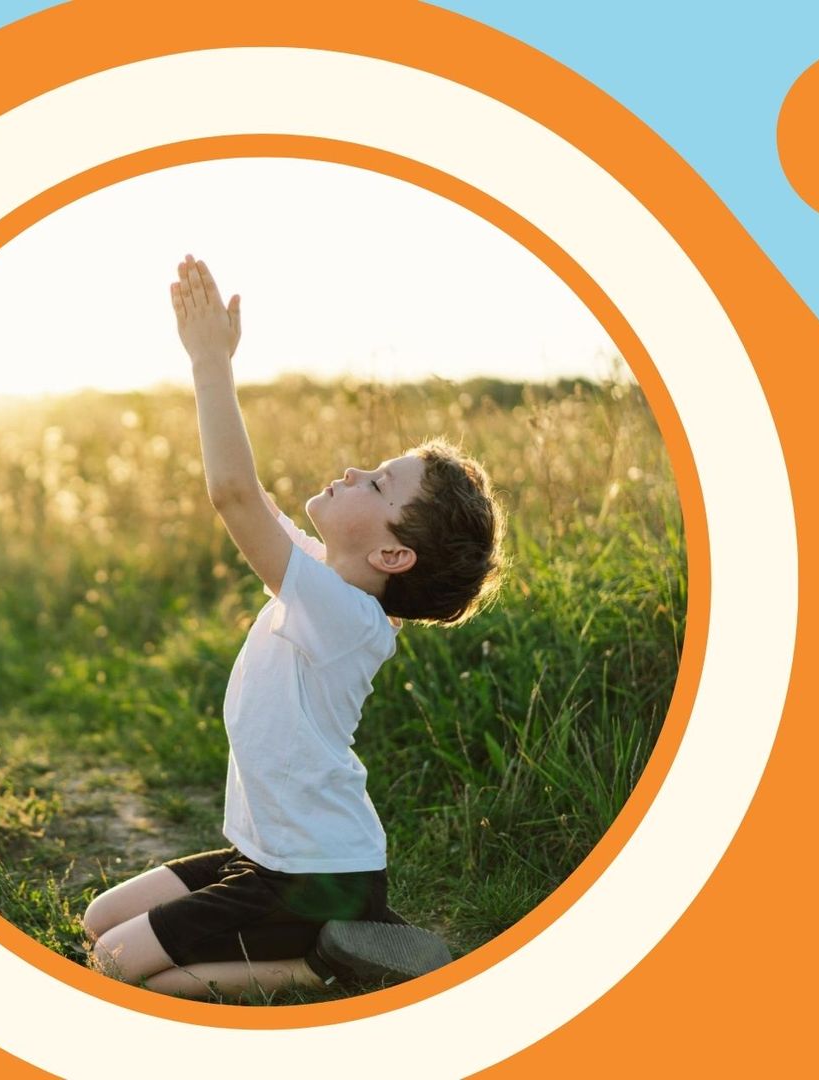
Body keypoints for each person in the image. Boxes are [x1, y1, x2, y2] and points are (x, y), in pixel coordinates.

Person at [81, 255, 505, 1001]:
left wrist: (210, 362)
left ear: (392, 554)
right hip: (274, 860)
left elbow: (235, 497)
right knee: (98, 919)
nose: (353, 471)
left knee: (115, 966)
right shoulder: (324, 575)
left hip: (320, 877)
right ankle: (325, 944)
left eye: (378, 483)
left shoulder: (344, 614)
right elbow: (257, 507)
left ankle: (320, 963)